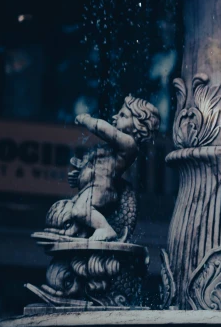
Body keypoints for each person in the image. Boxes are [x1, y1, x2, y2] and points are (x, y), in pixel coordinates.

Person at [66, 95, 160, 241]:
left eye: (123, 115)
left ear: (138, 125)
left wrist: (87, 120)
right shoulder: (112, 148)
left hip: (102, 189)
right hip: (91, 187)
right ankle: (82, 230)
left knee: (80, 211)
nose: (115, 116)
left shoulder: (129, 144)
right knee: (72, 210)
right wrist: (80, 176)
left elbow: (105, 130)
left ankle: (105, 229)